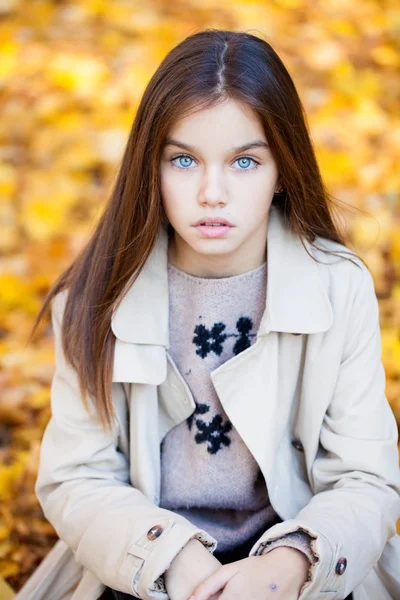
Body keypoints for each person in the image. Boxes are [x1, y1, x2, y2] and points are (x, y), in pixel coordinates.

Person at [15, 28, 400, 600]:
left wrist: (287, 567)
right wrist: (173, 559)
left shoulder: (337, 288)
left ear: (281, 173)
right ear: (151, 165)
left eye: (244, 161)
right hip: (142, 558)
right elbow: (78, 477)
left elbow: (366, 479)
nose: (211, 192)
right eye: (184, 160)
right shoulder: (97, 295)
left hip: (303, 561)